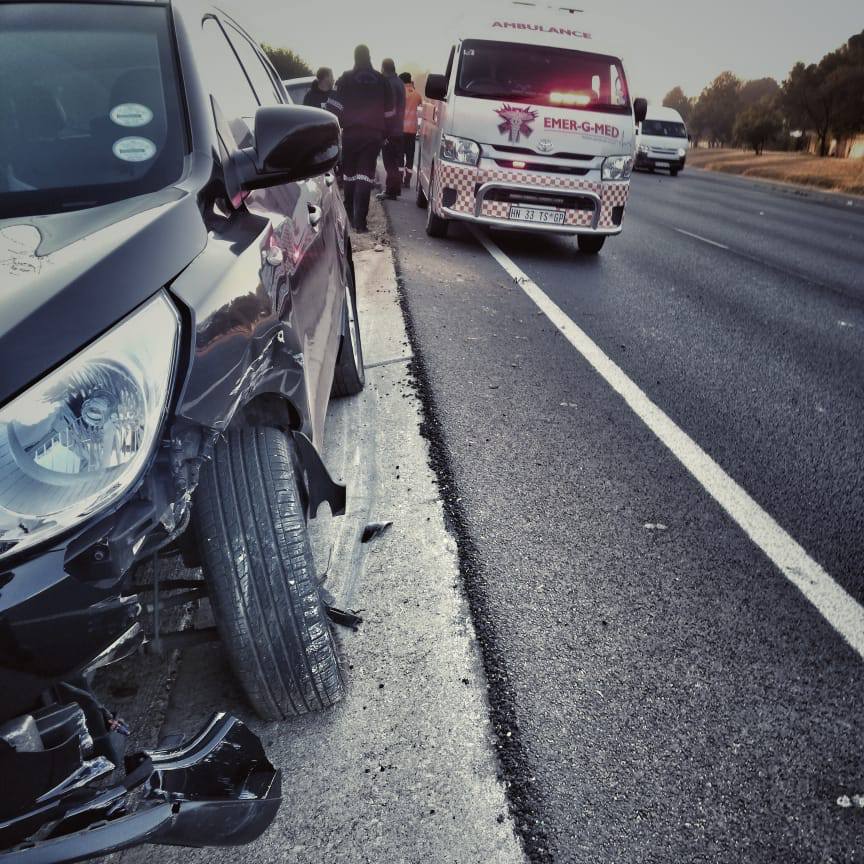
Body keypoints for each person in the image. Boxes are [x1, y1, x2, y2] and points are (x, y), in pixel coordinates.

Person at [326, 45, 392, 232]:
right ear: (370, 57)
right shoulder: (382, 80)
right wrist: (385, 135)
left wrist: (335, 129)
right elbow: (390, 112)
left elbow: (333, 108)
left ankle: (348, 220)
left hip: (351, 134)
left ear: (355, 58)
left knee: (350, 176)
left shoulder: (345, 79)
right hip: (373, 136)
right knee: (365, 177)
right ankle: (361, 224)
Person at [378, 58, 405, 200]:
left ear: (384, 68)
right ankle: (394, 190)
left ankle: (391, 191)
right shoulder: (399, 82)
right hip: (398, 128)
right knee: (393, 161)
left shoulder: (390, 83)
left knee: (390, 162)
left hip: (391, 130)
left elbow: (390, 109)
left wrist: (384, 131)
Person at [399, 72, 422, 188]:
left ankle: (399, 178)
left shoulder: (400, 92)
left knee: (399, 155)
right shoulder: (417, 95)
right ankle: (407, 181)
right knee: (410, 156)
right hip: (412, 131)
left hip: (401, 130)